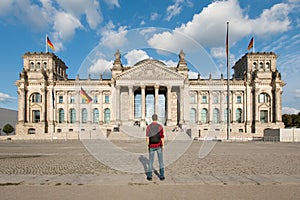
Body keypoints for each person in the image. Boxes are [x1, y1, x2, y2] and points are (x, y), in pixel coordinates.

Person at [146, 114, 165, 181]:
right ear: (157, 119)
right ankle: (162, 176)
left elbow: (147, 137)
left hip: (151, 145)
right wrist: (163, 145)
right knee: (161, 161)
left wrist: (148, 145)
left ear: (152, 118)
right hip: (158, 145)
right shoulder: (160, 126)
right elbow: (162, 137)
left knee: (150, 161)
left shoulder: (148, 127)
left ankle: (149, 176)